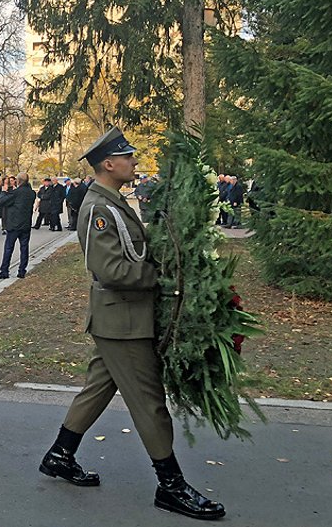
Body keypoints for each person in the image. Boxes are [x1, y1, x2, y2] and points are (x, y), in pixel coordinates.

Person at [38, 126, 225, 521]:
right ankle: (170, 486)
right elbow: (110, 269)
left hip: (120, 318)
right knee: (149, 402)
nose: (134, 161)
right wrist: (163, 276)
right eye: (128, 156)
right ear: (109, 163)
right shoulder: (98, 209)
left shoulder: (113, 202)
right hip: (122, 320)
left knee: (97, 389)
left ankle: (60, 454)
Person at [0, 172, 35, 279]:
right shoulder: (31, 193)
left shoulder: (16, 193)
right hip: (26, 224)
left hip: (14, 224)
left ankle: (4, 271)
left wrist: (4, 191)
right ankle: (22, 270)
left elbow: (2, 202)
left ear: (18, 181)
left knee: (8, 248)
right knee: (24, 248)